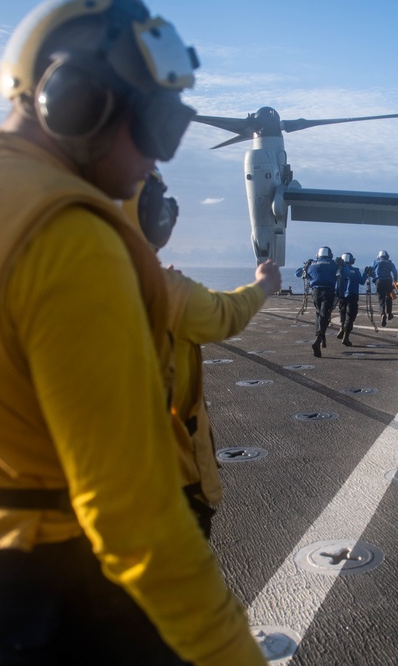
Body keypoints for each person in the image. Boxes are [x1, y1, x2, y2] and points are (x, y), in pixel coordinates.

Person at [0, 0, 267, 664]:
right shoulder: (69, 238)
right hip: (51, 585)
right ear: (77, 100)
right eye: (156, 127)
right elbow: (135, 517)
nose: (154, 162)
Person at [126, 171, 281, 539]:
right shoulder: (165, 290)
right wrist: (263, 284)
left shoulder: (60, 276)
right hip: (166, 484)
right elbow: (223, 315)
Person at [296, 246, 338, 356]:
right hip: (328, 292)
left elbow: (298, 273)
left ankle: (318, 339)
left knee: (319, 314)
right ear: (330, 255)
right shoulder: (333, 264)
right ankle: (319, 339)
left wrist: (307, 265)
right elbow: (344, 274)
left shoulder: (311, 264)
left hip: (315, 293)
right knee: (324, 315)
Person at [335, 252, 366, 347]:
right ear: (351, 261)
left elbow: (336, 283)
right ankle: (346, 336)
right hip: (352, 296)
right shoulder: (356, 271)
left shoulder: (339, 270)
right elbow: (362, 281)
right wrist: (366, 273)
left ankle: (341, 327)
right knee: (350, 317)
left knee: (342, 313)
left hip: (341, 296)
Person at [372, 249, 398, 326]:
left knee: (381, 299)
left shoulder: (375, 262)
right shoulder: (390, 263)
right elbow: (395, 272)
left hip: (379, 281)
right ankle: (389, 313)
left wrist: (374, 281)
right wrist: (395, 282)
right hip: (388, 281)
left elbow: (371, 272)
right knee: (389, 298)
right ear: (387, 256)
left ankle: (382, 313)